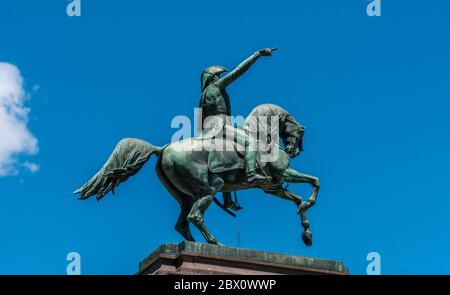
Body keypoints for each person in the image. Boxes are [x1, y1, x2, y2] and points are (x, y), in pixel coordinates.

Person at [198, 48, 276, 211]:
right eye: (218, 75)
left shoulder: (202, 97)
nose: (220, 77)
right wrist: (256, 55)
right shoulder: (217, 86)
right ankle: (252, 174)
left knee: (226, 160)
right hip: (221, 126)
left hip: (207, 131)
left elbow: (201, 121)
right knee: (251, 142)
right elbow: (237, 72)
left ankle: (227, 198)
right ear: (213, 78)